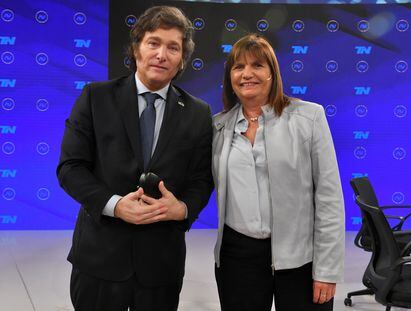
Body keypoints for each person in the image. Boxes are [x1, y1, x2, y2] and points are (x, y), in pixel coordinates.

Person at [57, 6, 213, 311]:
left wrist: (182, 208)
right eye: (153, 43)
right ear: (136, 48)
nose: (161, 54)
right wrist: (115, 205)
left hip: (160, 267)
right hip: (100, 260)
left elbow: (202, 179)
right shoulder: (95, 97)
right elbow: (70, 168)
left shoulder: (198, 112)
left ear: (182, 58)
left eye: (173, 47)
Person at [212, 34, 344, 311]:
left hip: (300, 258)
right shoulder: (216, 127)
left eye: (257, 65)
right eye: (238, 67)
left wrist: (327, 270)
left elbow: (329, 199)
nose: (247, 74)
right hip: (237, 258)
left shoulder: (309, 118)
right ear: (230, 77)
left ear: (272, 72)